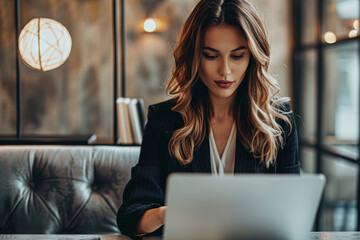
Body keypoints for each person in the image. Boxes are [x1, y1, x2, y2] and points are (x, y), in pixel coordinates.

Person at [117, 0, 300, 238]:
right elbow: (131, 217)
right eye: (211, 56)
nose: (225, 70)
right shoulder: (164, 121)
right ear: (194, 57)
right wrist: (168, 214)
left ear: (253, 57)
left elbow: (295, 212)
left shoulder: (280, 122)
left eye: (237, 56)